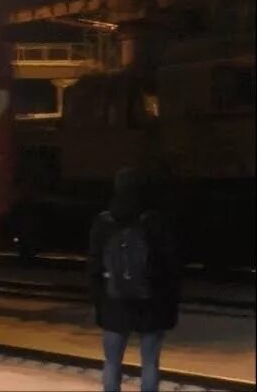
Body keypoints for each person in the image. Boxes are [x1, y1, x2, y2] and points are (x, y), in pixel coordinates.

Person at [88, 167, 181, 392]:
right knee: (149, 363)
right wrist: (170, 306)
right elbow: (171, 266)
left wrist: (100, 302)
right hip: (151, 304)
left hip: (114, 304)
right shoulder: (155, 221)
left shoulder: (104, 222)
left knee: (111, 363)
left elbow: (93, 267)